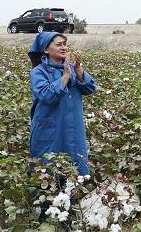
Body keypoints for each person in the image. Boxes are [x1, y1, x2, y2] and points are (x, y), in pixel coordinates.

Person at [28, 32, 96, 175]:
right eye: (58, 44)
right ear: (46, 50)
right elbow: (47, 95)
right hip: (50, 129)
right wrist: (65, 76)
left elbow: (90, 88)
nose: (64, 48)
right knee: (48, 171)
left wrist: (78, 69)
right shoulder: (38, 72)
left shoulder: (72, 68)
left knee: (75, 170)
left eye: (65, 44)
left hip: (73, 127)